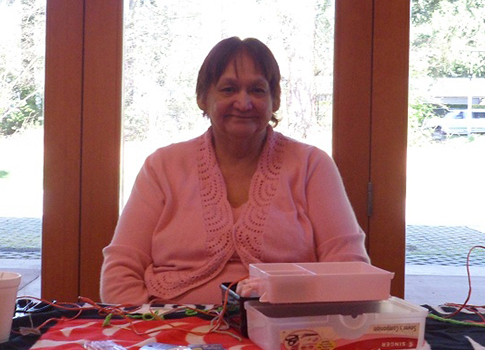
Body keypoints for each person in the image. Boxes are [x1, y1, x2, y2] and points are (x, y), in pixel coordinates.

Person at [100, 37, 369, 305]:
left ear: (275, 99)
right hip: (168, 334)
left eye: (258, 90)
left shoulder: (313, 165)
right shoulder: (161, 166)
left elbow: (348, 266)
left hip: (286, 332)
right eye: (228, 89)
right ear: (203, 98)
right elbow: (121, 269)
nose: (244, 103)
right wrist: (146, 328)